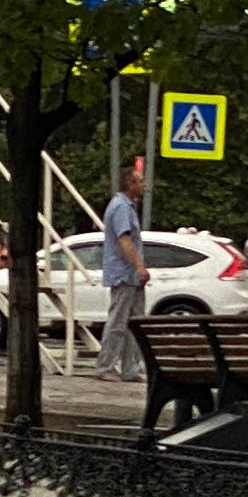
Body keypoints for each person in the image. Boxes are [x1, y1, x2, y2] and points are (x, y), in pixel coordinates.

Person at [97, 156, 150, 379]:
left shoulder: (127, 207)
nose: (143, 185)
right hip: (124, 274)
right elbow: (124, 240)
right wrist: (139, 266)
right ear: (129, 185)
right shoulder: (120, 208)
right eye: (139, 181)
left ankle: (130, 369)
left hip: (131, 276)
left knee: (134, 324)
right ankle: (105, 366)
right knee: (118, 322)